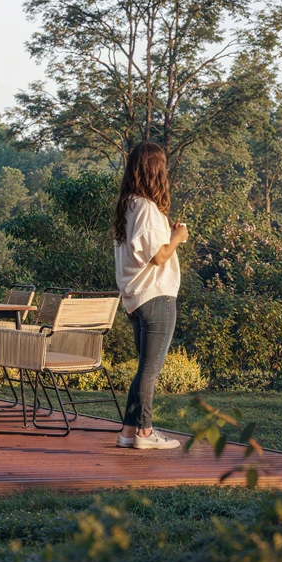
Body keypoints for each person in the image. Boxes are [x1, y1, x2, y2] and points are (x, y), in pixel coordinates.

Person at [113, 141, 189, 451]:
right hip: (154, 297)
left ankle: (128, 432)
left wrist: (166, 234)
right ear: (154, 169)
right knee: (150, 370)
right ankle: (145, 433)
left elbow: (142, 249)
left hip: (137, 297)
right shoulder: (144, 207)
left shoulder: (130, 205)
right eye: (163, 166)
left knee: (145, 367)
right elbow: (158, 257)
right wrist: (178, 238)